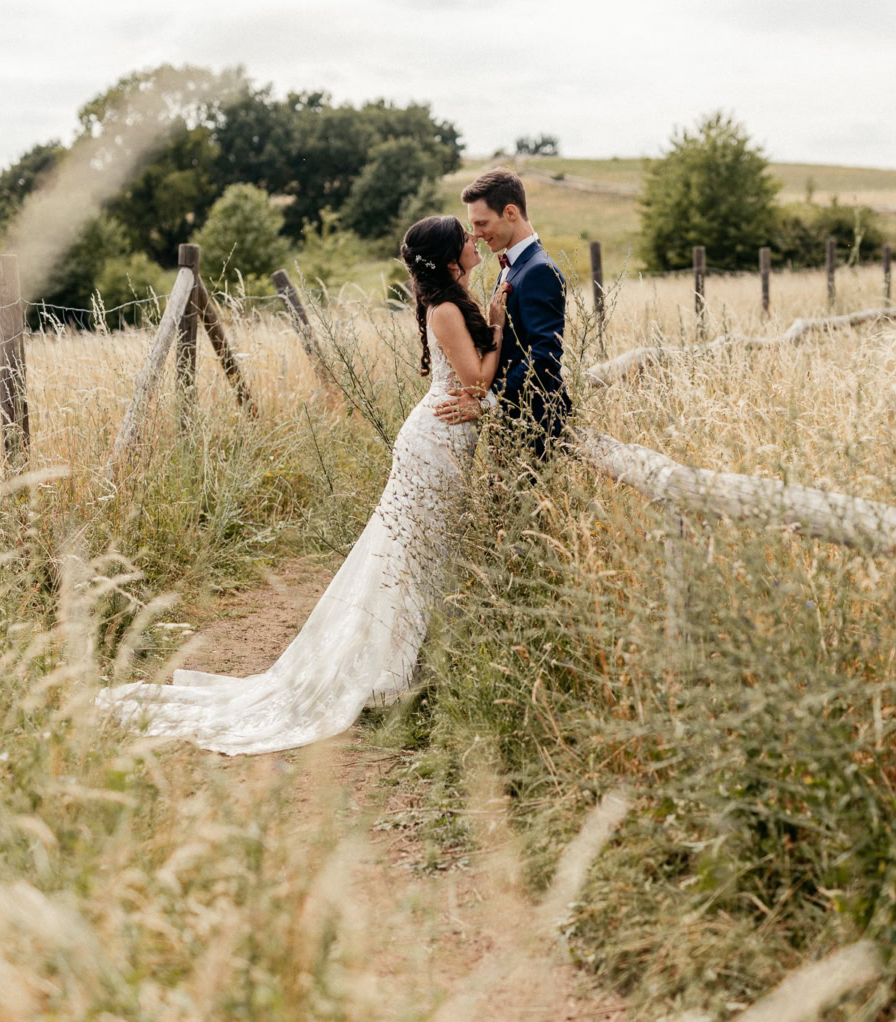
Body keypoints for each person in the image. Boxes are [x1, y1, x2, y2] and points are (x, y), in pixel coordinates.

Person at [97, 215, 505, 755]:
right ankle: (387, 674)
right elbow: (475, 379)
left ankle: (405, 666)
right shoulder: (449, 307)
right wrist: (500, 329)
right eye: (467, 236)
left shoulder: (453, 299)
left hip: (444, 434)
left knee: (417, 556)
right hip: (435, 442)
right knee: (411, 557)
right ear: (451, 256)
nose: (475, 240)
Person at [436, 168, 572, 459]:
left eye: (482, 223)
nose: (476, 234)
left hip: (534, 427)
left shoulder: (539, 270)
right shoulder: (513, 265)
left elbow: (545, 354)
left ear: (510, 212)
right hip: (511, 422)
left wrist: (489, 401)